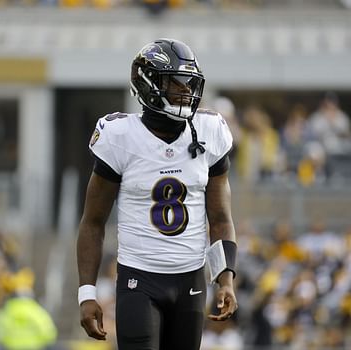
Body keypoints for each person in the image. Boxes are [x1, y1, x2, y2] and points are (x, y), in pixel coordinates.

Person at [77, 38, 239, 350]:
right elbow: (93, 222)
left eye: (190, 84)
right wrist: (87, 293)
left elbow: (220, 219)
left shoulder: (208, 131)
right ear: (148, 84)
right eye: (176, 84)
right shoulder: (120, 136)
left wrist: (225, 279)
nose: (186, 92)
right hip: (139, 279)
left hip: (190, 278)